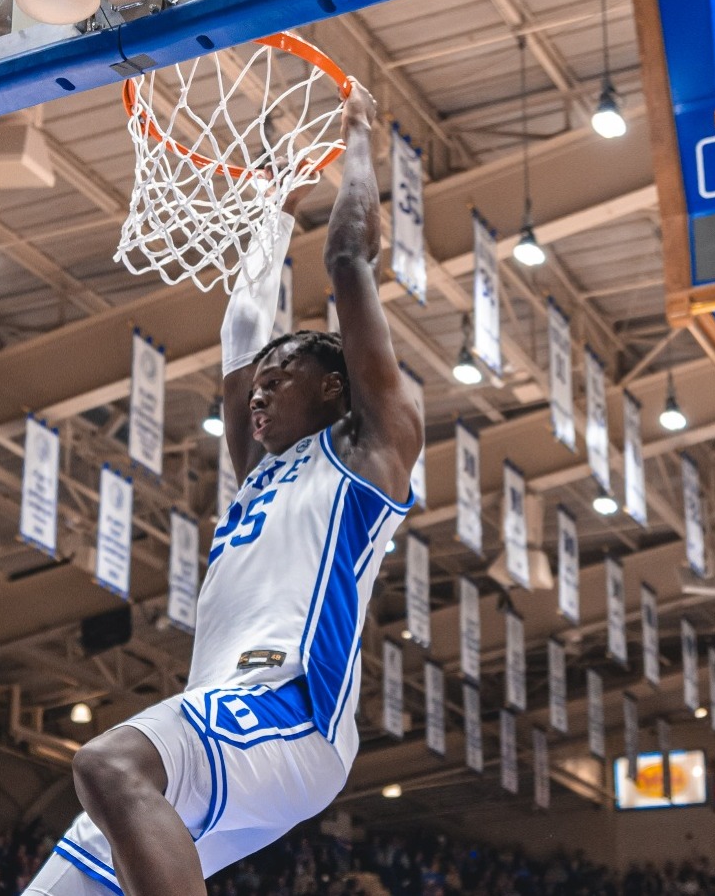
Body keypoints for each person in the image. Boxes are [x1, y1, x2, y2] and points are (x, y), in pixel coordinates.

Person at [24, 81, 421, 896]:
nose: (262, 392)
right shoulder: (257, 469)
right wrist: (273, 209)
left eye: (285, 378)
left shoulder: (367, 455)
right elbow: (241, 328)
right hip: (232, 727)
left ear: (338, 391)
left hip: (287, 708)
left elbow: (348, 258)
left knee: (109, 762)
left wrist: (355, 138)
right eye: (260, 385)